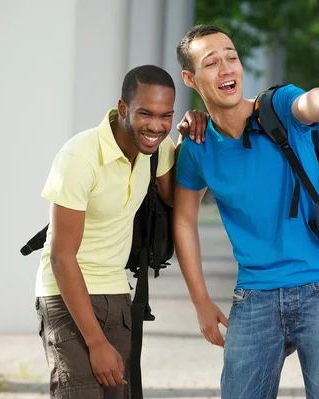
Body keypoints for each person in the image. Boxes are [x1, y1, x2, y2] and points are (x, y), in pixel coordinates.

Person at [173, 25, 319, 399]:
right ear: (190, 78)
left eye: (232, 57)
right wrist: (200, 302)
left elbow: (309, 101)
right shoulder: (196, 146)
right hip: (254, 297)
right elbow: (183, 220)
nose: (227, 68)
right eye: (211, 63)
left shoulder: (277, 108)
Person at [34, 64, 205, 399]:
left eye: (165, 116)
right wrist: (96, 342)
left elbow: (177, 197)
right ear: (123, 108)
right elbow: (61, 256)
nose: (156, 126)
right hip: (66, 293)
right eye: (146, 114)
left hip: (116, 293)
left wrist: (190, 136)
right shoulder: (79, 158)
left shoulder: (158, 149)